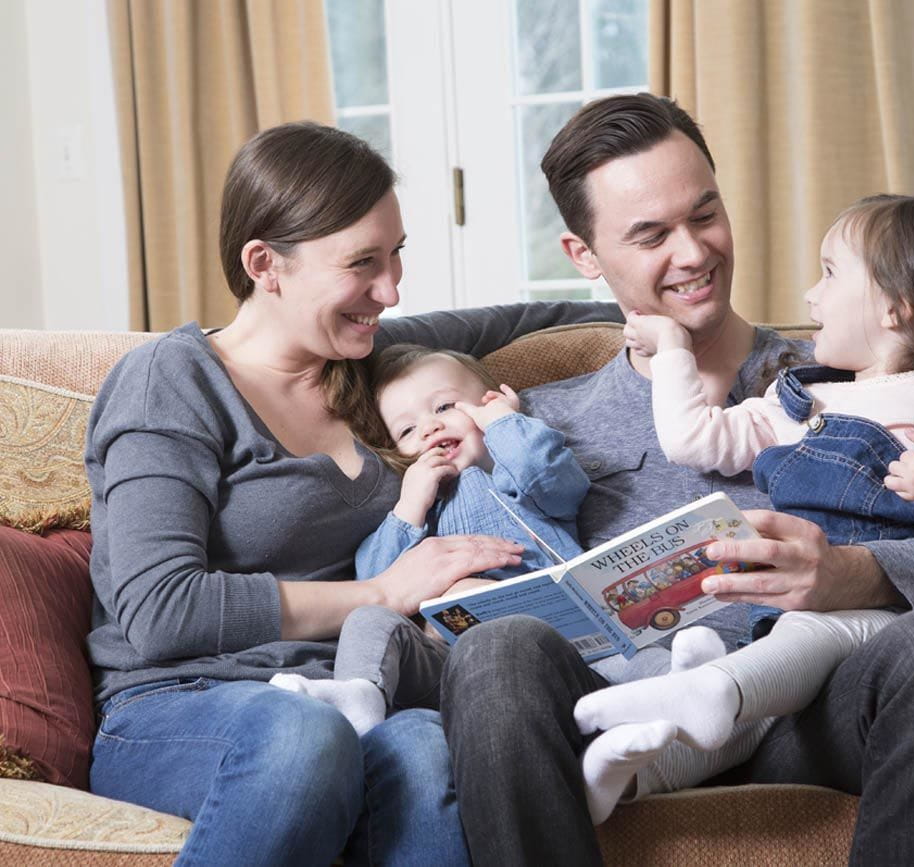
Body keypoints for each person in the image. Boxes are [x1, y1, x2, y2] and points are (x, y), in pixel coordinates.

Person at [429, 93, 914, 865]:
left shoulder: (851, 385)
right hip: (618, 722)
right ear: (583, 256)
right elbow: (462, 596)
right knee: (495, 651)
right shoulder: (532, 425)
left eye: (703, 214)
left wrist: (857, 573)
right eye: (650, 234)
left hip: (804, 715)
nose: (692, 252)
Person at [84, 121, 621, 867]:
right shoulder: (171, 381)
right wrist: (381, 591)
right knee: (306, 737)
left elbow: (526, 319)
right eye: (363, 263)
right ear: (264, 263)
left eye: (397, 254)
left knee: (427, 746)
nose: (391, 289)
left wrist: (656, 313)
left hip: (350, 691)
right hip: (181, 705)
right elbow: (159, 609)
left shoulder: (366, 358)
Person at [569, 193, 914, 823]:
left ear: (896, 306)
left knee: (824, 645)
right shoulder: (800, 401)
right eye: (650, 233)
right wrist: (671, 350)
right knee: (760, 700)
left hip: (879, 632)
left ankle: (711, 687)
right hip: (775, 626)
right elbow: (693, 439)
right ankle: (631, 773)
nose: (809, 297)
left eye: (830, 273)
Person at [270, 342, 727, 733]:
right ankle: (361, 694)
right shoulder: (421, 507)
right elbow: (376, 582)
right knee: (366, 620)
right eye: (407, 430)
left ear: (493, 403)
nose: (429, 427)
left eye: (445, 407)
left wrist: (505, 423)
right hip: (445, 656)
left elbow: (557, 479)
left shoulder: (515, 474)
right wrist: (408, 507)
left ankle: (687, 686)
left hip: (563, 636)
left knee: (628, 654)